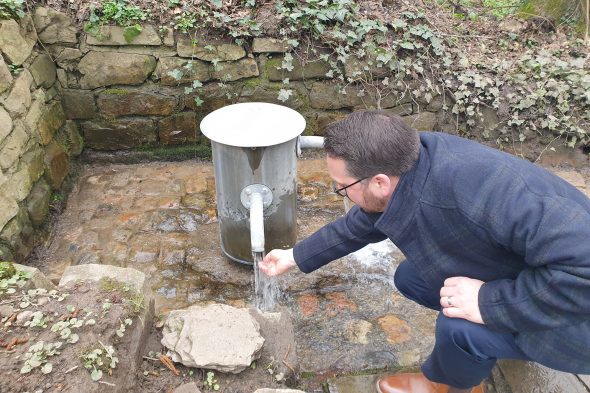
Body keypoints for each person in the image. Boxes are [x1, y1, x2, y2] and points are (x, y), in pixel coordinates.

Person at [258, 110, 590, 393]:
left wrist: (490, 302)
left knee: (457, 328)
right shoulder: (414, 161)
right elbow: (366, 221)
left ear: (379, 182)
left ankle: (447, 383)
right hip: (534, 273)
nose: (339, 193)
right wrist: (296, 256)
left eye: (341, 188)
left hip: (578, 319)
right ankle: (478, 353)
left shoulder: (492, 197)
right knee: (412, 277)